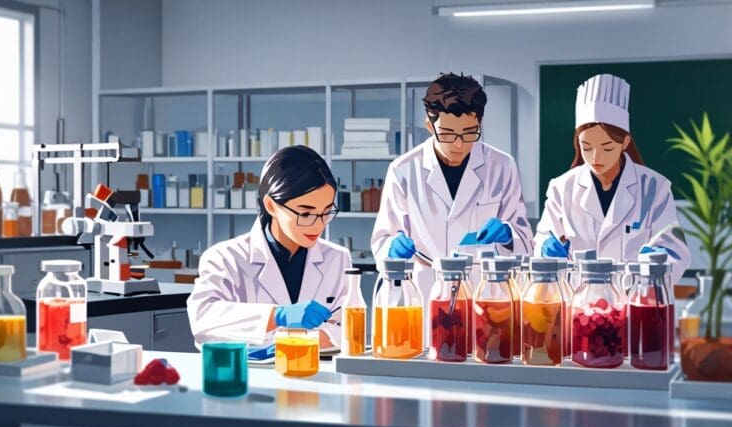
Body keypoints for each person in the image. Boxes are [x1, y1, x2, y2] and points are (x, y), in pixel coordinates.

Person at [371, 73, 533, 315]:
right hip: (425, 297)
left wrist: (508, 234)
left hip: (485, 297)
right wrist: (392, 249)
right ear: (429, 125)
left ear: (480, 123)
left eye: (469, 132)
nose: (459, 144)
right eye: (447, 133)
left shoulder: (501, 166)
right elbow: (382, 240)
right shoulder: (404, 170)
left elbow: (525, 242)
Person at [187, 146, 351, 354]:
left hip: (318, 374)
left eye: (326, 212)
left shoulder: (337, 259)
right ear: (271, 205)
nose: (318, 225)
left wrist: (279, 339)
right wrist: (277, 316)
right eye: (306, 214)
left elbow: (347, 330)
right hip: (251, 377)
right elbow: (204, 319)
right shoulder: (225, 258)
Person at [534, 73, 690, 283]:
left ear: (625, 141)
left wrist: (656, 261)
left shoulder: (655, 187)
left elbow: (676, 251)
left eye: (607, 147)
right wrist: (545, 250)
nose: (596, 158)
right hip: (579, 305)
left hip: (632, 302)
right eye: (586, 147)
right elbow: (542, 242)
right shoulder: (562, 188)